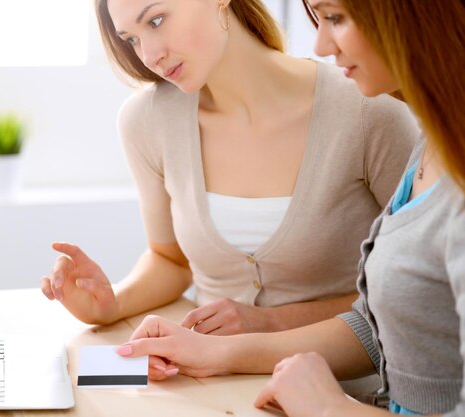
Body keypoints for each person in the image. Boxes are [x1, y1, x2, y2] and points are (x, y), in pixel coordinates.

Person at [114, 0, 465, 415]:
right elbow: (384, 323)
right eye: (133, 39)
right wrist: (213, 353)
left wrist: (330, 408)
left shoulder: (380, 119)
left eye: (333, 17)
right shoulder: (433, 147)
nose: (319, 43)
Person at [40, 0, 419, 336]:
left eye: (155, 21)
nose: (150, 54)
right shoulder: (147, 120)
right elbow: (171, 261)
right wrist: (112, 304)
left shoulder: (370, 112)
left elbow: (416, 288)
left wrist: (270, 324)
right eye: (131, 39)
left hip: (343, 392)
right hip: (210, 386)